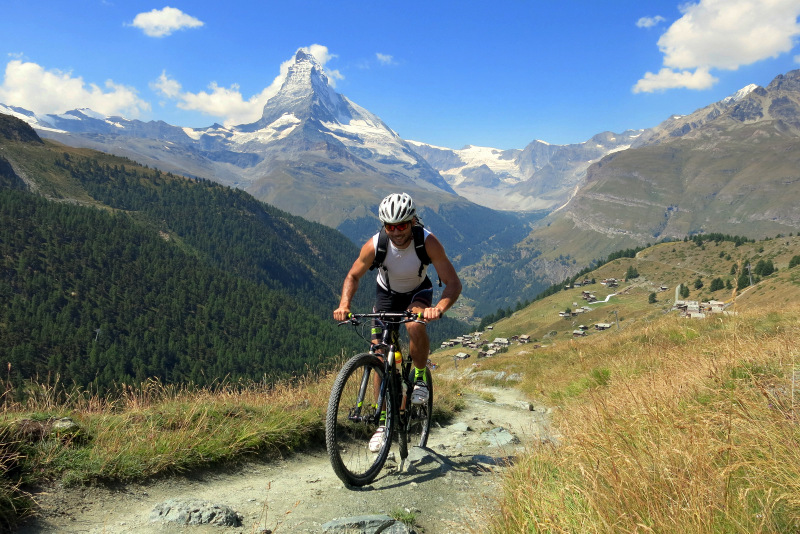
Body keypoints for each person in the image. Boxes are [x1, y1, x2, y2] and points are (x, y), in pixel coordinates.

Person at [333, 192, 462, 451]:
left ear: (412, 221)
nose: (396, 232)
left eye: (402, 226)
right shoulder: (376, 244)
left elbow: (453, 283)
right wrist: (344, 304)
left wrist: (438, 308)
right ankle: (383, 423)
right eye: (390, 227)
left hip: (418, 293)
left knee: (414, 324)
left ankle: (420, 376)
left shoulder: (428, 242)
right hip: (387, 296)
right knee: (379, 356)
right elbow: (353, 276)